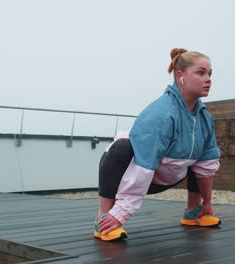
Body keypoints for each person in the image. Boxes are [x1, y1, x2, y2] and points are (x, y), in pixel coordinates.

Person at [94, 48, 221, 241]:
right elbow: (143, 167)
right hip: (132, 172)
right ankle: (103, 219)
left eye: (210, 73)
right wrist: (120, 214)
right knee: (120, 148)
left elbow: (206, 165)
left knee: (200, 159)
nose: (208, 78)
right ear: (181, 76)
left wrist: (207, 204)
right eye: (201, 72)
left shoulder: (204, 118)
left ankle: (193, 212)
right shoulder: (161, 113)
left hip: (166, 176)